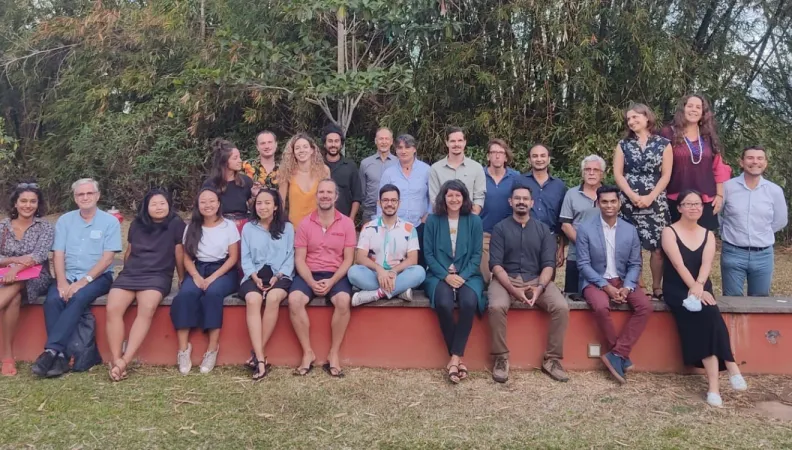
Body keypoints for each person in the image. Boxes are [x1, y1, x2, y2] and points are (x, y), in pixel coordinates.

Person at [662, 190, 747, 407]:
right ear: (679, 207)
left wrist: (699, 286)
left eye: (698, 204)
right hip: (677, 288)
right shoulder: (669, 232)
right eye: (688, 204)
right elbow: (678, 264)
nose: (694, 207)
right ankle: (731, 365)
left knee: (708, 313)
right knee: (707, 313)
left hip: (700, 285)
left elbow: (706, 265)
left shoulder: (708, 234)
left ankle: (714, 387)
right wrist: (694, 288)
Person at [32, 178, 122, 378]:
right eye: (81, 194)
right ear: (75, 198)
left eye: (90, 193)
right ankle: (62, 357)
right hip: (68, 275)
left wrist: (82, 282)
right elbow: (58, 254)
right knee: (53, 299)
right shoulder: (65, 220)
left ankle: (51, 351)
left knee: (78, 298)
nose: (85, 197)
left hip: (98, 277)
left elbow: (108, 259)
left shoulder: (110, 222)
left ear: (97, 196)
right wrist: (62, 282)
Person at [488, 183, 569, 383]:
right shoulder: (500, 228)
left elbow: (549, 265)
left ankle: (552, 359)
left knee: (561, 307)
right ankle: (501, 358)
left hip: (537, 279)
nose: (521, 202)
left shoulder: (544, 231)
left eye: (525, 199)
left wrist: (540, 287)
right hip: (506, 279)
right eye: (517, 198)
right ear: (510, 202)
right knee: (497, 306)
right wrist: (514, 290)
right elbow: (496, 266)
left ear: (532, 203)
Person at [105, 188, 186, 381]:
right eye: (154, 204)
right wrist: (126, 271)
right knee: (112, 308)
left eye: (162, 203)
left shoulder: (176, 224)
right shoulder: (137, 224)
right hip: (132, 272)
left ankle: (125, 360)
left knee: (147, 308)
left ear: (168, 205)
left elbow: (179, 253)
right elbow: (129, 252)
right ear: (146, 207)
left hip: (158, 275)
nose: (159, 207)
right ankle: (117, 359)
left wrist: (181, 277)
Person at [576, 186, 652, 383]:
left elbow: (635, 263)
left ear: (619, 203)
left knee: (645, 306)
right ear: (597, 203)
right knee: (601, 306)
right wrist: (606, 287)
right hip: (595, 280)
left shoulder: (630, 229)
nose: (609, 206)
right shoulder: (585, 228)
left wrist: (627, 287)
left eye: (613, 201)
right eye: (604, 202)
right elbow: (583, 264)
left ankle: (617, 353)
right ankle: (620, 355)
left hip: (623, 279)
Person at [289, 179, 356, 378]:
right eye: (321, 192)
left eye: (329, 192)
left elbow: (348, 260)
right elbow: (299, 259)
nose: (325, 195)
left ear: (336, 197)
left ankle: (333, 354)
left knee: (343, 301)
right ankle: (307, 353)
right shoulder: (304, 223)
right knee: (294, 300)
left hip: (336, 273)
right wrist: (310, 282)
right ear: (316, 196)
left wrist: (332, 281)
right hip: (309, 272)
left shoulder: (347, 223)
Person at [170, 188, 240, 375]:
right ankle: (184, 349)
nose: (208, 205)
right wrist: (196, 276)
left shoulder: (228, 226)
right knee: (185, 295)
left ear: (218, 203)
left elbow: (233, 258)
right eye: (203, 202)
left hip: (223, 270)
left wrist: (212, 278)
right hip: (198, 268)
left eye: (212, 201)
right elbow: (186, 258)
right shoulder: (191, 227)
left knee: (213, 293)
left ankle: (212, 348)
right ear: (197, 205)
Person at [423, 180, 484, 384]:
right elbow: (428, 254)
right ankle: (458, 358)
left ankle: (454, 359)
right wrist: (446, 276)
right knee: (443, 303)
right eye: (450, 195)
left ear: (464, 198)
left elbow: (476, 255)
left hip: (469, 274)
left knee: (468, 302)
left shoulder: (474, 221)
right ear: (443, 197)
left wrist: (463, 276)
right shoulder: (433, 220)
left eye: (458, 195)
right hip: (439, 274)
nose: (454, 199)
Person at [614, 103, 673, 301]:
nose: (631, 121)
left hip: (655, 201)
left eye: (635, 117)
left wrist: (650, 197)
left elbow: (666, 175)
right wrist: (631, 196)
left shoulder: (664, 144)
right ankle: (637, 285)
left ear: (647, 117)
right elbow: (618, 174)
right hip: (629, 201)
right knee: (633, 247)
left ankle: (657, 287)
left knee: (657, 249)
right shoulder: (623, 145)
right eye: (628, 119)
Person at [0, 182, 54, 376]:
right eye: (23, 201)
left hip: (37, 277)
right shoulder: (3, 226)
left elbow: (38, 255)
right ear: (15, 203)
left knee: (18, 281)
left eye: (33, 201)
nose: (28, 205)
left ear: (38, 204)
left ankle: (7, 358)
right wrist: (13, 262)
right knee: (14, 298)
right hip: (5, 277)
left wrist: (18, 269)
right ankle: (7, 357)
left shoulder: (45, 227)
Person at [240, 189, 294, 380]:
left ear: (276, 206)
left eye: (267, 203)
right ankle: (261, 359)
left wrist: (278, 276)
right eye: (259, 203)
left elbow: (290, 256)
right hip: (253, 274)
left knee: (273, 298)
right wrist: (254, 277)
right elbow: (244, 257)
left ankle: (256, 354)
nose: (263, 207)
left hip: (280, 275)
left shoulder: (287, 228)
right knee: (253, 299)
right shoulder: (248, 228)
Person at [720, 146, 787, 296]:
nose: (755, 162)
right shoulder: (727, 187)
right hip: (733, 252)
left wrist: (762, 232)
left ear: (765, 163)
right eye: (750, 158)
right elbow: (716, 214)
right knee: (732, 303)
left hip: (763, 255)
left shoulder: (774, 190)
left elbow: (781, 220)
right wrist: (725, 230)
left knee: (760, 302)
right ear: (741, 162)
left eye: (759, 158)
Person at [660, 94, 732, 230]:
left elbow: (718, 167)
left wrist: (720, 194)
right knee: (673, 244)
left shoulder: (708, 135)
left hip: (704, 200)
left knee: (703, 244)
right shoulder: (667, 133)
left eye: (698, 107)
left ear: (703, 113)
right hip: (675, 199)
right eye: (690, 106)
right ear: (683, 109)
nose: (694, 110)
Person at [348, 184, 426, 306]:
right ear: (379, 203)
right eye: (385, 200)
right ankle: (398, 291)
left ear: (399, 203)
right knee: (353, 272)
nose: (389, 204)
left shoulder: (409, 228)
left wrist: (393, 272)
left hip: (399, 276)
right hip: (374, 275)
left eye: (393, 200)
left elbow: (413, 259)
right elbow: (360, 257)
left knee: (419, 272)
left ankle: (376, 294)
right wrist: (380, 271)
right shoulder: (368, 227)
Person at [378, 134, 432, 264]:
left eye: (407, 147)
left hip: (419, 226)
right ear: (395, 150)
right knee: (394, 261)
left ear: (414, 149)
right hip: (394, 226)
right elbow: (381, 200)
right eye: (400, 147)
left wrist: (427, 216)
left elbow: (434, 196)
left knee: (419, 263)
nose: (403, 151)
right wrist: (381, 225)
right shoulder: (389, 173)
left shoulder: (426, 170)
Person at [559, 155, 604, 295]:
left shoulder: (610, 195)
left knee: (601, 294)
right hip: (576, 254)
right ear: (582, 172)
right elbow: (566, 225)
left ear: (602, 174)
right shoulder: (571, 194)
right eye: (587, 169)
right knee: (573, 297)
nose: (591, 173)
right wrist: (584, 244)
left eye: (595, 170)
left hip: (603, 256)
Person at [520, 144, 567, 272]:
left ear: (549, 159)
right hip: (523, 237)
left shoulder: (559, 186)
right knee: (524, 276)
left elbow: (562, 218)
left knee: (547, 280)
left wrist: (561, 247)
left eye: (542, 155)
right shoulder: (520, 181)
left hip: (550, 238)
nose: (539, 159)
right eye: (535, 156)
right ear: (529, 160)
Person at [479, 139, 521, 282]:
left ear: (506, 157)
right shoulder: (479, 175)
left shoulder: (515, 177)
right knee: (485, 275)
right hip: (483, 232)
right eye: (493, 152)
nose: (497, 156)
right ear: (488, 156)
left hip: (508, 232)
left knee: (506, 275)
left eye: (500, 153)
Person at [429, 127, 486, 214]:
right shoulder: (435, 169)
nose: (456, 144)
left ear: (465, 142)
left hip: (468, 220)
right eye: (452, 141)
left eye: (460, 140)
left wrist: (470, 219)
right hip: (443, 220)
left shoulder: (476, 168)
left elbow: (479, 197)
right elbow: (434, 199)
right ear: (447, 143)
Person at [278, 133, 331, 226]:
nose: (301, 150)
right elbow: (280, 202)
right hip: (295, 229)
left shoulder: (324, 170)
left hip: (319, 227)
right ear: (293, 152)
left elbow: (330, 199)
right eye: (297, 148)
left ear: (312, 150)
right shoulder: (286, 172)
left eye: (305, 147)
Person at [323, 124, 363, 219]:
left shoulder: (350, 166)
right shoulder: (317, 166)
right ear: (324, 144)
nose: (333, 145)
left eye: (336, 141)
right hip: (320, 220)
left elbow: (357, 197)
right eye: (330, 141)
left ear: (341, 144)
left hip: (344, 219)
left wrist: (351, 219)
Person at [359, 127, 397, 222]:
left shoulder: (398, 163)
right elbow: (362, 190)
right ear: (376, 141)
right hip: (370, 212)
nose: (384, 142)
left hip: (393, 210)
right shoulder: (365, 163)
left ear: (391, 141)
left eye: (386, 139)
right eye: (381, 139)